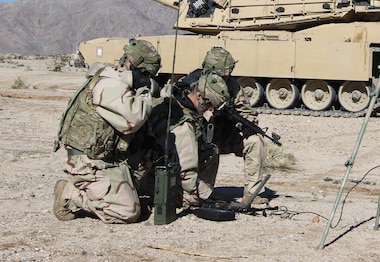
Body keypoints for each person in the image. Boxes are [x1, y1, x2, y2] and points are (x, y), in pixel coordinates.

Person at [52, 39, 161, 223]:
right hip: (87, 162)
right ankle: (70, 195)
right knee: (128, 212)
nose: (147, 78)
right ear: (129, 64)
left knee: (149, 152)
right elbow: (133, 119)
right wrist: (146, 93)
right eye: (144, 73)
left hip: (105, 157)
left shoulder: (117, 82)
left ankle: (122, 190)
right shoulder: (109, 84)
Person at [198, 46, 271, 205]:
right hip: (201, 138)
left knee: (255, 141)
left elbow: (246, 111)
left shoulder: (233, 86)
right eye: (223, 74)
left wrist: (247, 124)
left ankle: (252, 193)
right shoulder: (196, 85)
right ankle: (202, 193)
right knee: (209, 149)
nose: (227, 77)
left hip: (226, 135)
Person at [150, 71, 230, 207]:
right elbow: (187, 176)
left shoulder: (175, 102)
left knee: (209, 150)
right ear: (199, 96)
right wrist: (208, 194)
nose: (209, 110)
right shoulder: (184, 127)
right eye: (209, 105)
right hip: (155, 177)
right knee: (197, 198)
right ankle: (169, 197)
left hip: (155, 164)